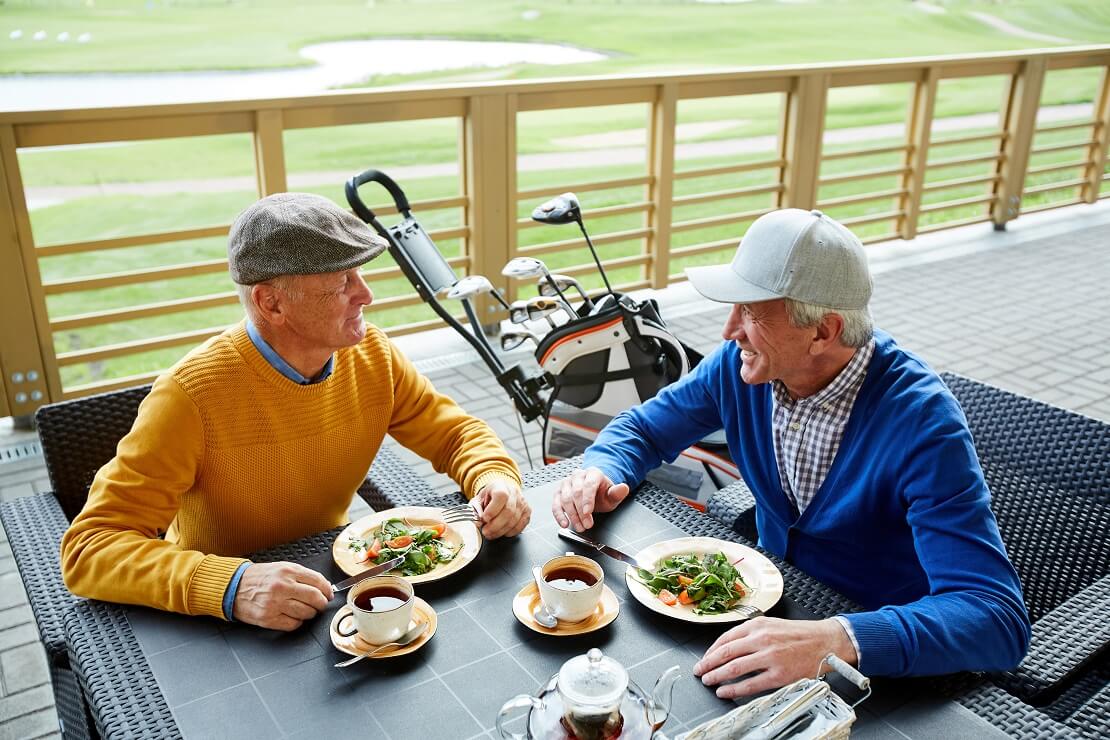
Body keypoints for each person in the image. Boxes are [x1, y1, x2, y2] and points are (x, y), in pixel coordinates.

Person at [551, 208, 1030, 696]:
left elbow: (995, 617)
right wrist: (602, 471)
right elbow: (643, 429)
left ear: (822, 331)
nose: (728, 330)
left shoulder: (924, 423)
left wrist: (837, 638)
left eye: (751, 312)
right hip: (768, 611)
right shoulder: (740, 368)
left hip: (880, 657)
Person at [61, 192, 530, 631]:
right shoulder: (190, 397)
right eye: (342, 282)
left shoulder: (373, 357)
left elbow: (456, 435)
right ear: (271, 302)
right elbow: (90, 549)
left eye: (361, 275)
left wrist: (494, 478)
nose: (366, 295)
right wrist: (232, 586)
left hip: (327, 584)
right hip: (219, 618)